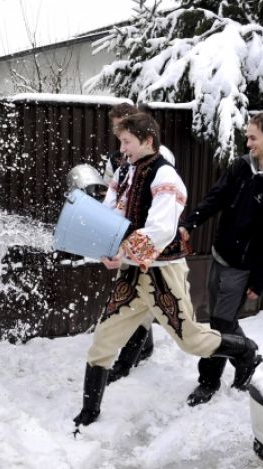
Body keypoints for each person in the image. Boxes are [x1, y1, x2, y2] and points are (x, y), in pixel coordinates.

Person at [73, 113, 261, 428]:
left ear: (147, 141)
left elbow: (160, 229)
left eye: (127, 142)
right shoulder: (124, 170)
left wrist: (121, 250)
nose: (122, 148)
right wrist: (100, 239)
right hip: (131, 275)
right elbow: (110, 210)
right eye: (121, 141)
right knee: (103, 340)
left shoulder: (166, 177)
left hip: (163, 274)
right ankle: (90, 411)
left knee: (191, 341)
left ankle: (244, 349)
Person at [179, 112, 263, 406]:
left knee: (218, 326)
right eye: (247, 135)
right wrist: (189, 224)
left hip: (241, 268)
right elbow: (216, 197)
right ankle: (248, 355)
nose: (248, 142)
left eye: (253, 137)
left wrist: (259, 279)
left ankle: (208, 381)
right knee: (223, 321)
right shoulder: (242, 166)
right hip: (220, 255)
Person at [102, 103, 178, 384]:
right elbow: (113, 196)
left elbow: (163, 211)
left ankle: (126, 362)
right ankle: (138, 350)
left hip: (153, 249)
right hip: (129, 245)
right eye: (116, 134)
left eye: (124, 134)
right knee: (136, 302)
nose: (119, 141)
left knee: (182, 326)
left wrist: (133, 247)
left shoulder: (161, 160)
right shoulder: (118, 159)